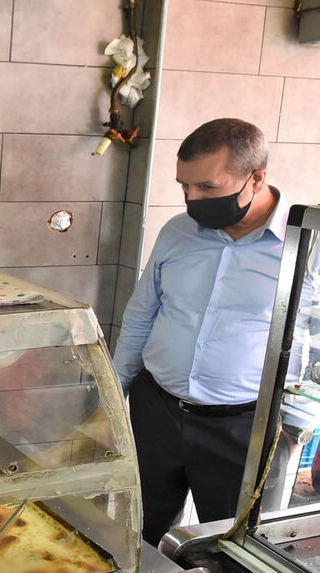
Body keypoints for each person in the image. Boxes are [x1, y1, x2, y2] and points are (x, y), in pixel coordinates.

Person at [112, 118, 293, 546]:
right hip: (156, 408)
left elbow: (319, 338)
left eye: (207, 187)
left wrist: (294, 428)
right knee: (139, 526)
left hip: (243, 426)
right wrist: (114, 389)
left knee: (233, 544)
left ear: (257, 178)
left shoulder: (306, 244)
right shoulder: (178, 232)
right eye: (184, 187)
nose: (192, 199)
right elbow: (142, 312)